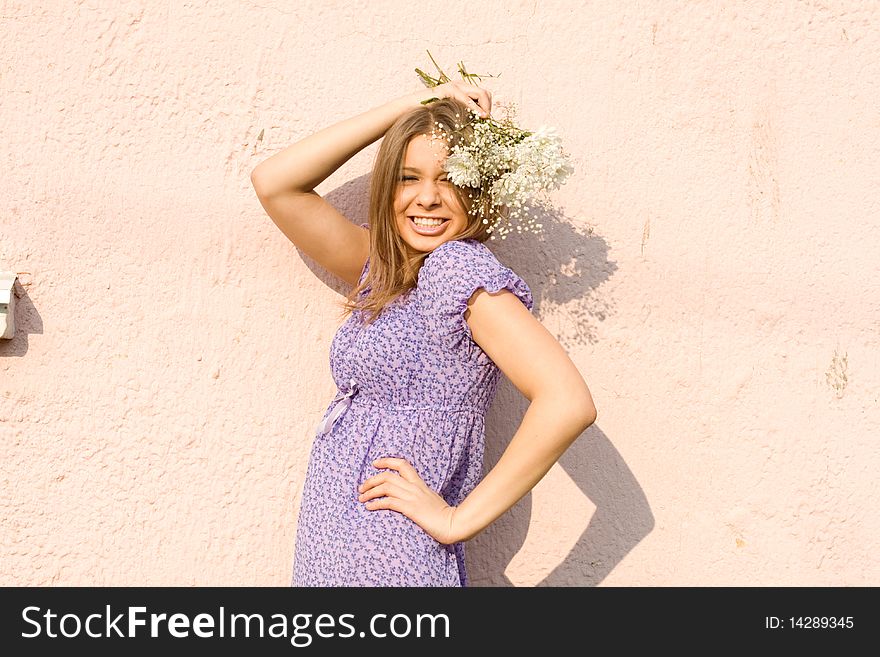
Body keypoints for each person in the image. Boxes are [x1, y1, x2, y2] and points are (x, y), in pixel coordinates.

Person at [250, 80, 597, 586]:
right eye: (408, 177)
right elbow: (274, 182)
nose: (428, 198)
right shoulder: (385, 271)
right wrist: (411, 106)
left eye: (450, 179)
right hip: (334, 547)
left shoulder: (457, 268)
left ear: (478, 191)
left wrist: (457, 520)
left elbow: (568, 402)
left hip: (391, 559)